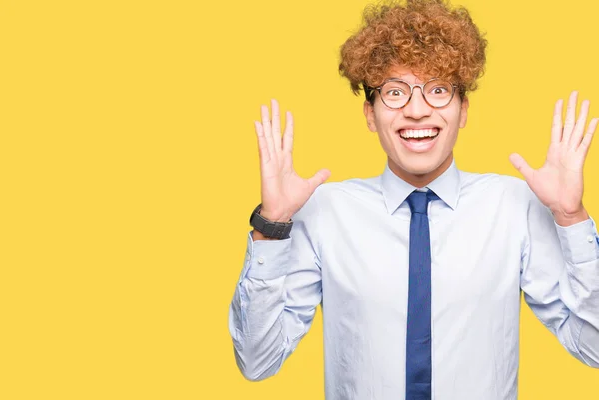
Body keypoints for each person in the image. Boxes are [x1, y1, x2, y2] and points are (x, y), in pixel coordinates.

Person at [228, 0, 599, 398]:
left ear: (463, 110)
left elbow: (592, 348)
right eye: (394, 92)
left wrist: (571, 217)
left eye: (438, 90)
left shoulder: (513, 205)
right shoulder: (325, 211)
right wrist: (272, 225)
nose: (417, 110)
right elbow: (257, 361)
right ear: (370, 114)